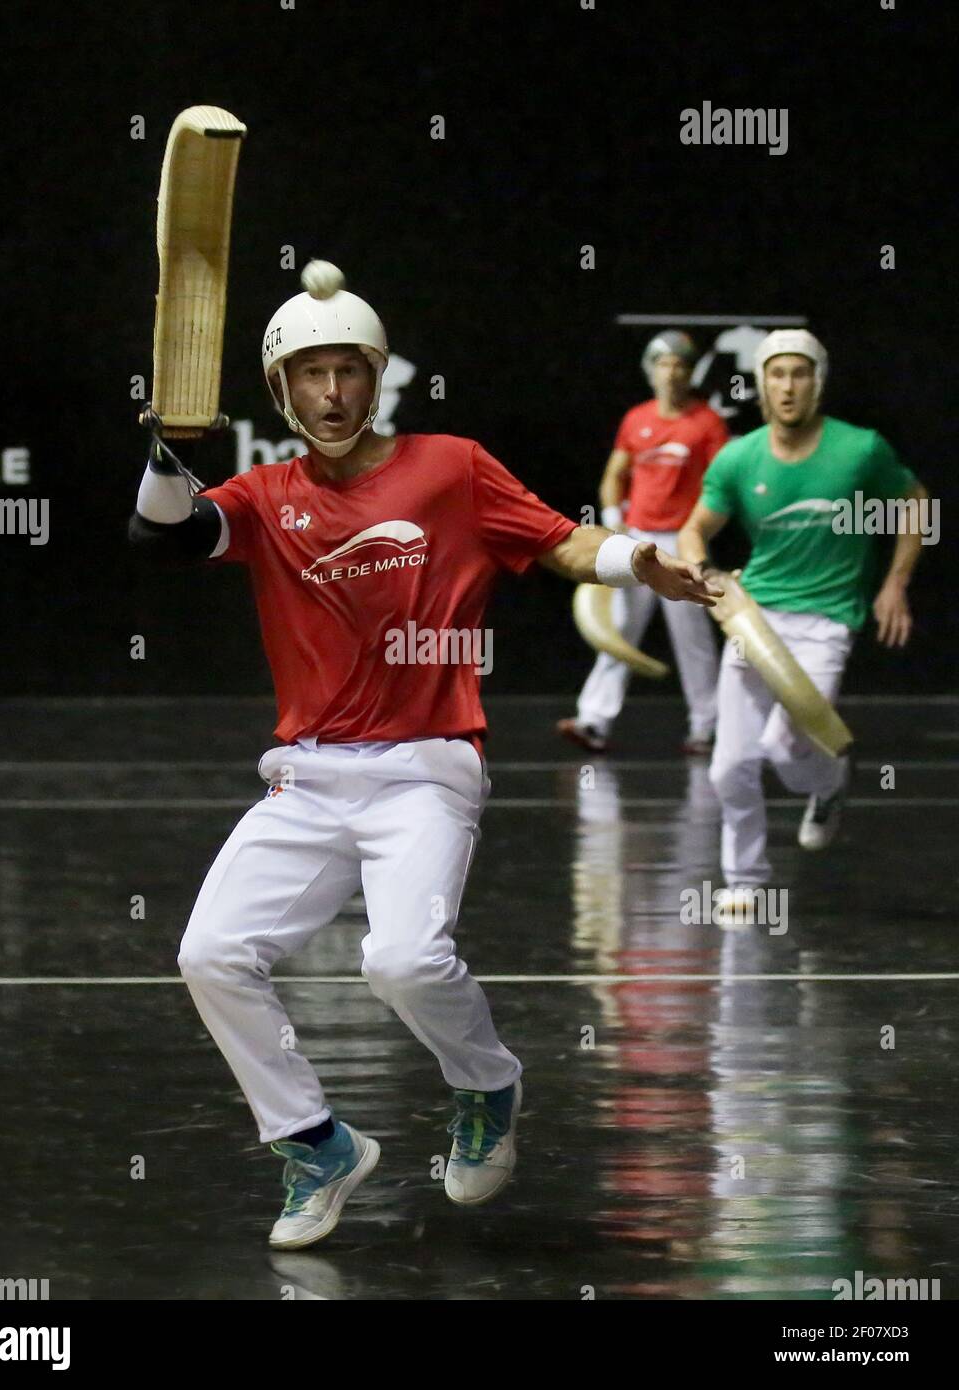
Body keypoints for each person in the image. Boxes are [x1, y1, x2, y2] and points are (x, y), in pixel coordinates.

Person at [128, 262, 718, 1249]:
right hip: (306, 774)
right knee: (209, 953)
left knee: (400, 957)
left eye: (347, 372)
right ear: (280, 392)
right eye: (307, 376)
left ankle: (486, 1084)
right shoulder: (267, 495)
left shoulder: (450, 466)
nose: (329, 395)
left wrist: (631, 558)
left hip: (426, 766)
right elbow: (164, 539)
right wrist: (163, 449)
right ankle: (314, 1142)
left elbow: (559, 541)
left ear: (378, 374)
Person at [677, 329, 928, 909]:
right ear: (761, 384)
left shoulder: (861, 449)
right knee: (730, 765)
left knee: (788, 747)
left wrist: (895, 581)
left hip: (828, 618)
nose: (788, 386)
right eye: (777, 374)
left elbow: (916, 501)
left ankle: (829, 782)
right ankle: (745, 881)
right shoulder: (739, 457)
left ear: (818, 382)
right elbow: (695, 529)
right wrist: (706, 574)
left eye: (800, 373)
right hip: (754, 615)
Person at [558, 330, 728, 755]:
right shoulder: (637, 419)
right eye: (663, 364)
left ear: (690, 373)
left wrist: (698, 534)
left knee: (694, 639)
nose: (671, 373)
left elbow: (723, 484)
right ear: (650, 371)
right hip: (636, 542)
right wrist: (616, 522)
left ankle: (705, 728)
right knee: (618, 631)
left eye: (679, 365)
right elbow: (615, 474)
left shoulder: (707, 423)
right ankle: (593, 721)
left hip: (681, 543)